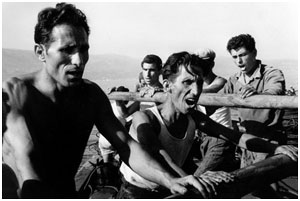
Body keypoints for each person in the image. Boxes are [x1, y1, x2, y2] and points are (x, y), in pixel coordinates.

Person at [2, 3, 222, 198]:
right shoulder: (15, 94)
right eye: (67, 50)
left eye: (84, 49)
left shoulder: (90, 95)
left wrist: (170, 180)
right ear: (41, 52)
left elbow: (126, 146)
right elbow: (25, 163)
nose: (78, 61)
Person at [116, 51, 298, 199]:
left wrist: (275, 148)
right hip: (136, 192)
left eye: (199, 83)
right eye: (187, 82)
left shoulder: (193, 117)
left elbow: (235, 136)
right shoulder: (144, 118)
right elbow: (160, 157)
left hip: (169, 187)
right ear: (167, 85)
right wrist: (194, 178)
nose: (196, 91)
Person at [223, 33, 288, 197]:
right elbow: (217, 99)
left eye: (243, 55)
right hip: (247, 142)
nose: (239, 61)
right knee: (250, 188)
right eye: (235, 57)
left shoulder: (272, 73)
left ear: (254, 53)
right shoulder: (234, 79)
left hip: (269, 140)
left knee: (268, 190)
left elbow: (275, 91)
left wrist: (257, 93)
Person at [190, 48, 236, 176]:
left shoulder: (220, 81)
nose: (201, 66)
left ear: (212, 64)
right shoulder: (195, 84)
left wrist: (187, 90)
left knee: (199, 178)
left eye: (204, 62)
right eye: (198, 63)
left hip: (220, 138)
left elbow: (212, 89)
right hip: (202, 137)